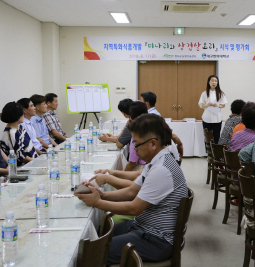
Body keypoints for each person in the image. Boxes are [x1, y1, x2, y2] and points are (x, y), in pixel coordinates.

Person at [75, 114, 188, 265]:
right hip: (143, 227)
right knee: (97, 233)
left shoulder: (162, 169)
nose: (135, 148)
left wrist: (97, 202)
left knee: (91, 252)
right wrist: (101, 195)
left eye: (136, 144)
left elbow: (134, 208)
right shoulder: (156, 161)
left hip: (156, 240)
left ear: (153, 143)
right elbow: (131, 192)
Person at [199, 75, 228, 144]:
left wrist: (218, 105)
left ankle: (215, 154)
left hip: (217, 118)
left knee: (217, 136)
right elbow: (201, 104)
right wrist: (208, 104)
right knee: (207, 137)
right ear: (209, 82)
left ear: (217, 83)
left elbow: (223, 105)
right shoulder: (204, 93)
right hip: (207, 118)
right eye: (212, 80)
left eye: (215, 81)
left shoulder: (220, 93)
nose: (214, 82)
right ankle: (208, 153)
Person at [124, 101, 148, 171]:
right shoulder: (151, 126)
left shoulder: (136, 134)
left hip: (143, 168)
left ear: (131, 117)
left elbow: (132, 163)